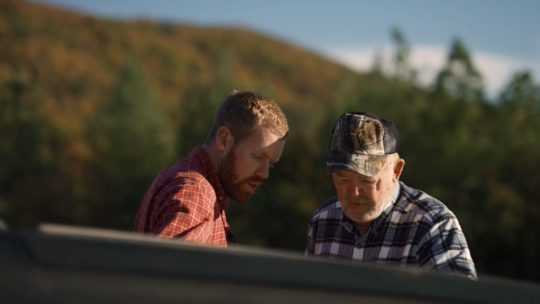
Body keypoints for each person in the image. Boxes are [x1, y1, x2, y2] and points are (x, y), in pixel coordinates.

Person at [305, 112, 477, 278]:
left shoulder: (432, 224)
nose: (353, 192)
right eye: (342, 179)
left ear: (396, 170)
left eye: (366, 180)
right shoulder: (323, 220)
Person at [134, 90, 289, 247]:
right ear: (223, 139)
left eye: (271, 164)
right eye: (257, 156)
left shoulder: (198, 188)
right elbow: (162, 267)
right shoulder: (195, 193)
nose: (264, 174)